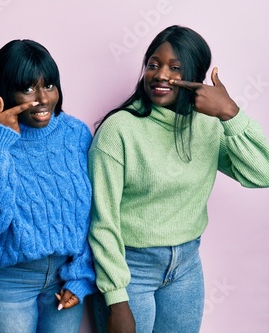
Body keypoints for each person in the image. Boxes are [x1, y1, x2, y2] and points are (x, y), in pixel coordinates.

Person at [88, 25, 269, 333]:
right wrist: (116, 299)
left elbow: (262, 173)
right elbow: (101, 220)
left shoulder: (208, 125)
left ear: (195, 77)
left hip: (186, 266)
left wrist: (230, 113)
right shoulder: (118, 130)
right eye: (153, 65)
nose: (160, 75)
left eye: (175, 68)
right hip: (131, 268)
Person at [0, 39, 97, 333]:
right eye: (28, 88)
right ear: (3, 92)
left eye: (49, 85)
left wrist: (81, 276)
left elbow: (95, 213)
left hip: (64, 281)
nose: (42, 98)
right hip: (6, 284)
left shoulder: (76, 134)